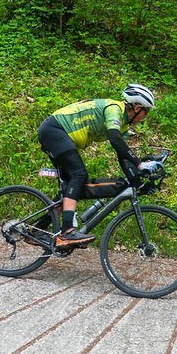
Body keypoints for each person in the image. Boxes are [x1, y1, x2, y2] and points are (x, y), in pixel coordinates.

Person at [37, 84, 156, 250]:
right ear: (137, 107)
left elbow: (122, 154)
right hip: (55, 129)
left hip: (58, 134)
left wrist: (137, 179)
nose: (145, 117)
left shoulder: (122, 125)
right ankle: (67, 232)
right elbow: (115, 140)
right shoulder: (114, 108)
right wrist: (140, 163)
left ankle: (37, 229)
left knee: (70, 188)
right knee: (79, 175)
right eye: (146, 112)